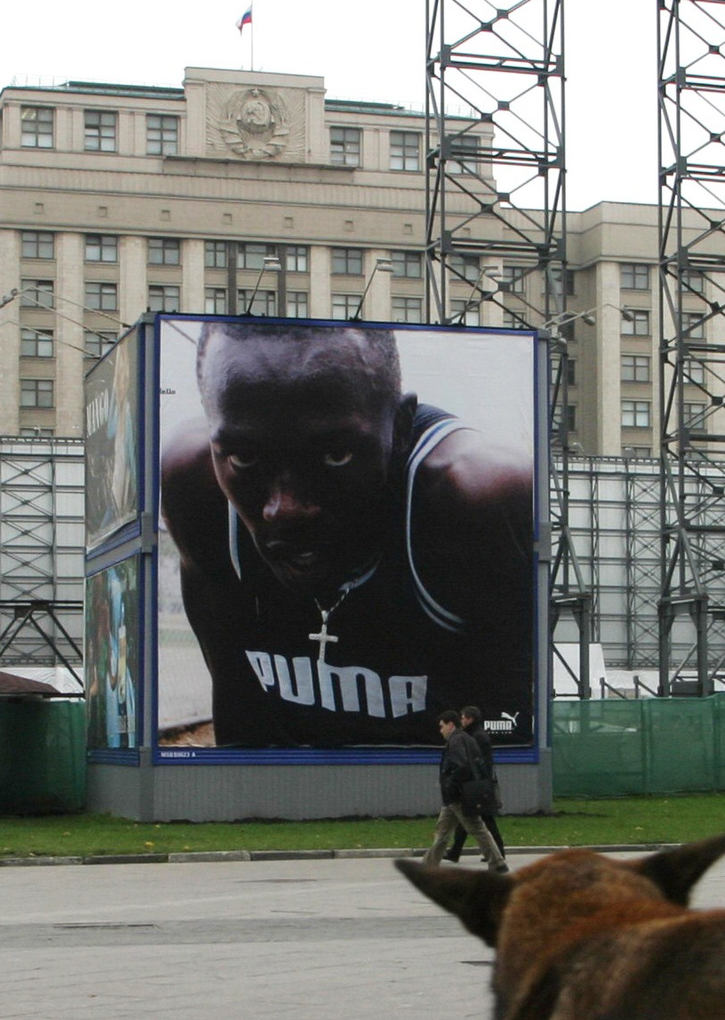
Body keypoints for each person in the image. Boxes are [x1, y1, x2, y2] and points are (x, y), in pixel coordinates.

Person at [160, 320, 534, 749]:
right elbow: (241, 727)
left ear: (401, 429)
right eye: (244, 458)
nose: (287, 509)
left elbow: (507, 737)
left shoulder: (470, 502)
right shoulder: (196, 485)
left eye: (335, 456)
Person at [423, 709, 506, 872]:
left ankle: (497, 862)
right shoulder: (468, 738)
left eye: (442, 726)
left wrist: (450, 784)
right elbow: (479, 763)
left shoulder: (456, 741)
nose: (440, 731)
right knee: (442, 830)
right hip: (458, 794)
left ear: (450, 725)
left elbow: (461, 766)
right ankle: (428, 865)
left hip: (458, 795)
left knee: (477, 828)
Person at [444, 704, 507, 865]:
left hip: (478, 784)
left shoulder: (476, 737)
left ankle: (498, 852)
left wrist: (478, 780)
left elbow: (477, 761)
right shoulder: (474, 735)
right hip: (478, 782)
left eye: (463, 717)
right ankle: (456, 851)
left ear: (470, 719)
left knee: (484, 819)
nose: (461, 720)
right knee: (467, 817)